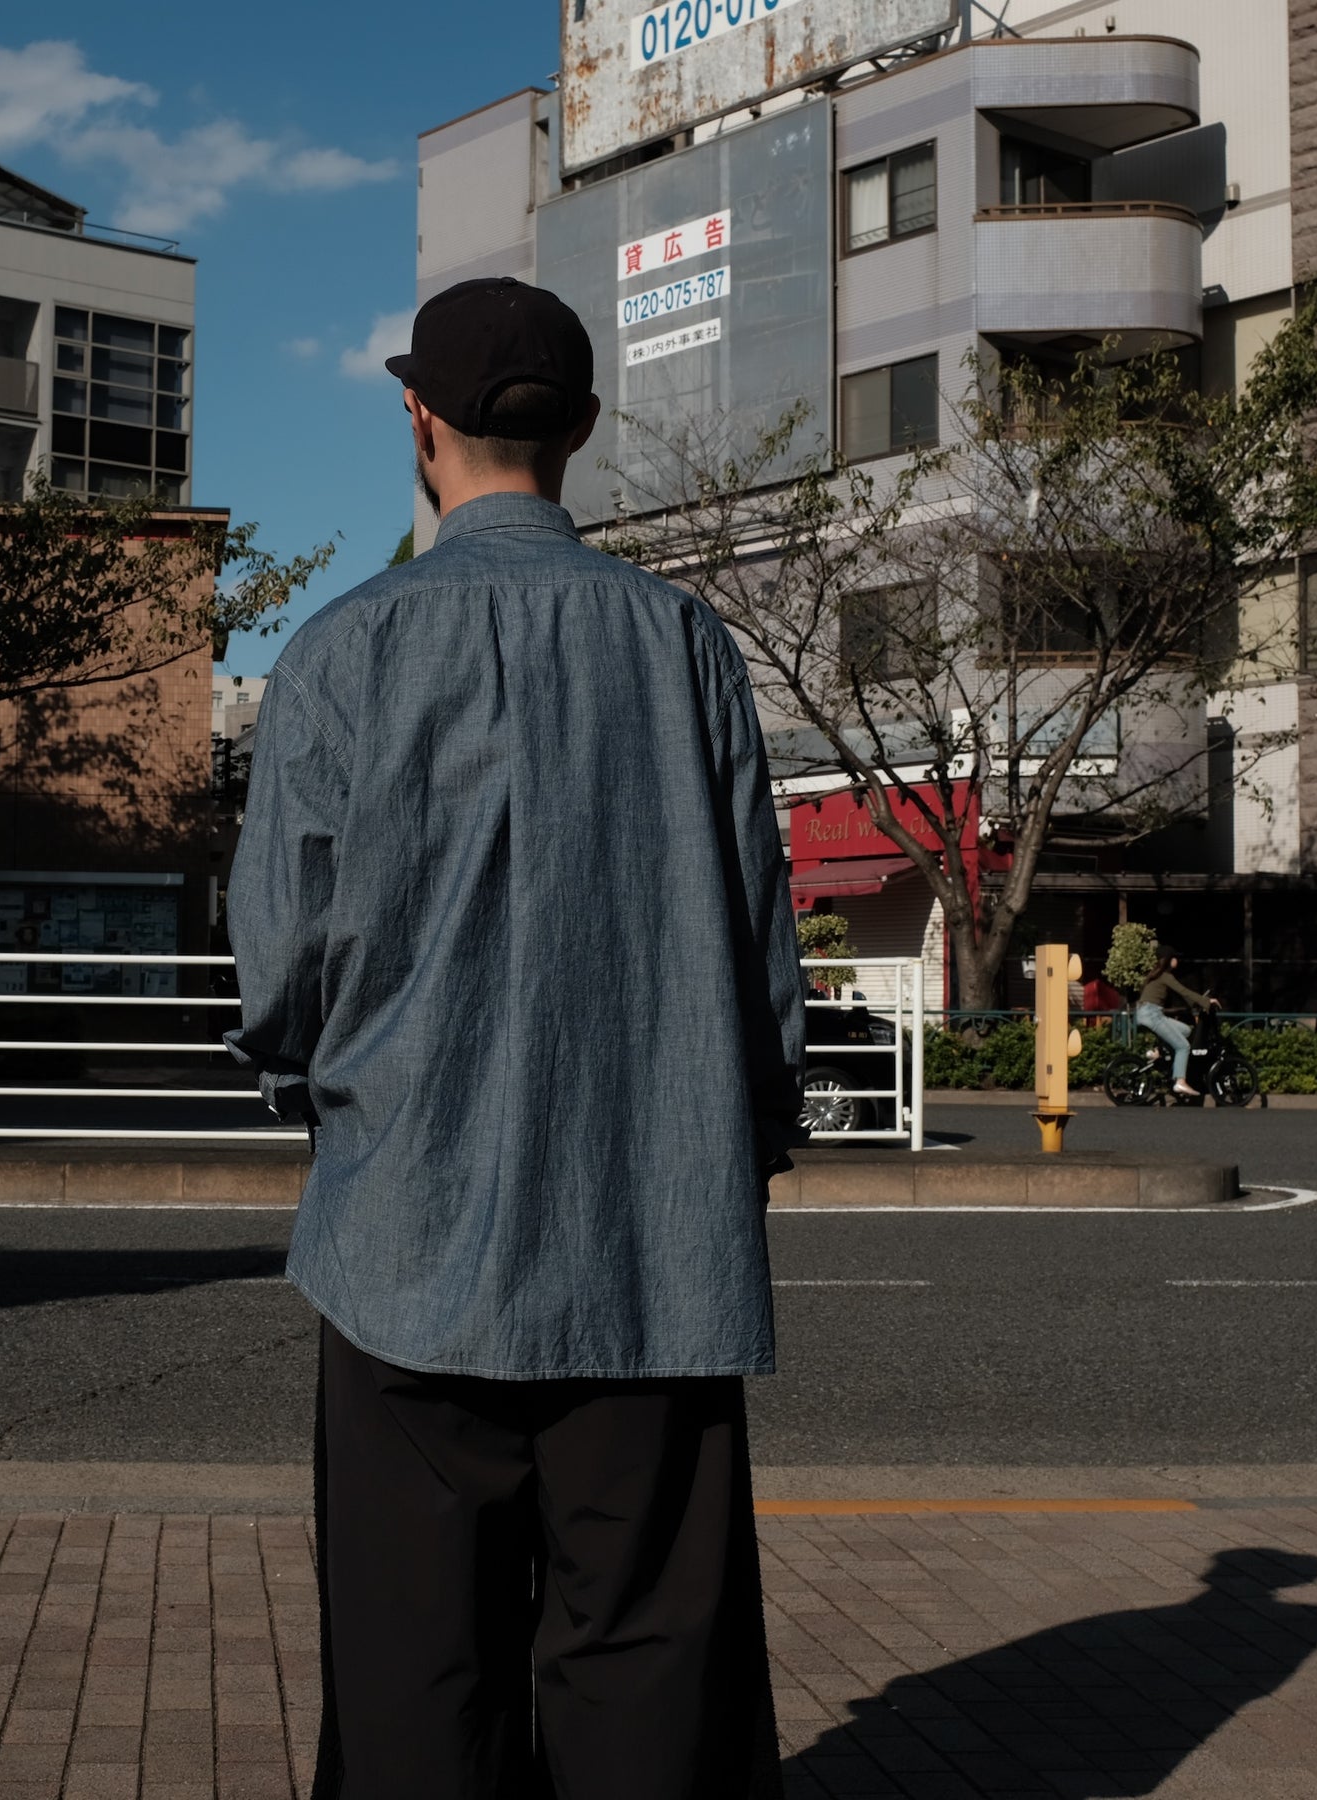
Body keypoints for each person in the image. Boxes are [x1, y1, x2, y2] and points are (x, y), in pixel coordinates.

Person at [225, 275, 805, 1799]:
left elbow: (280, 966)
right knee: (649, 1667)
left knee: (420, 1664)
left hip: (405, 1226)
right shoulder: (684, 645)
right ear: (585, 430)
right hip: (652, 1233)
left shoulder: (342, 652)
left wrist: (332, 1097)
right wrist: (749, 1129)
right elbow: (758, 940)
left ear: (416, 418)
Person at [1136, 944, 1214, 1097]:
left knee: (1186, 1030)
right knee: (1183, 1046)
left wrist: (1192, 1004)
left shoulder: (1156, 975)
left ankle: (1158, 1051)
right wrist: (1206, 1001)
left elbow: (1180, 996)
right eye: (1174, 957)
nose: (1177, 960)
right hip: (1152, 1015)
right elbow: (1183, 991)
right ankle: (1180, 1081)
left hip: (1148, 1013)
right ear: (1168, 959)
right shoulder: (1166, 976)